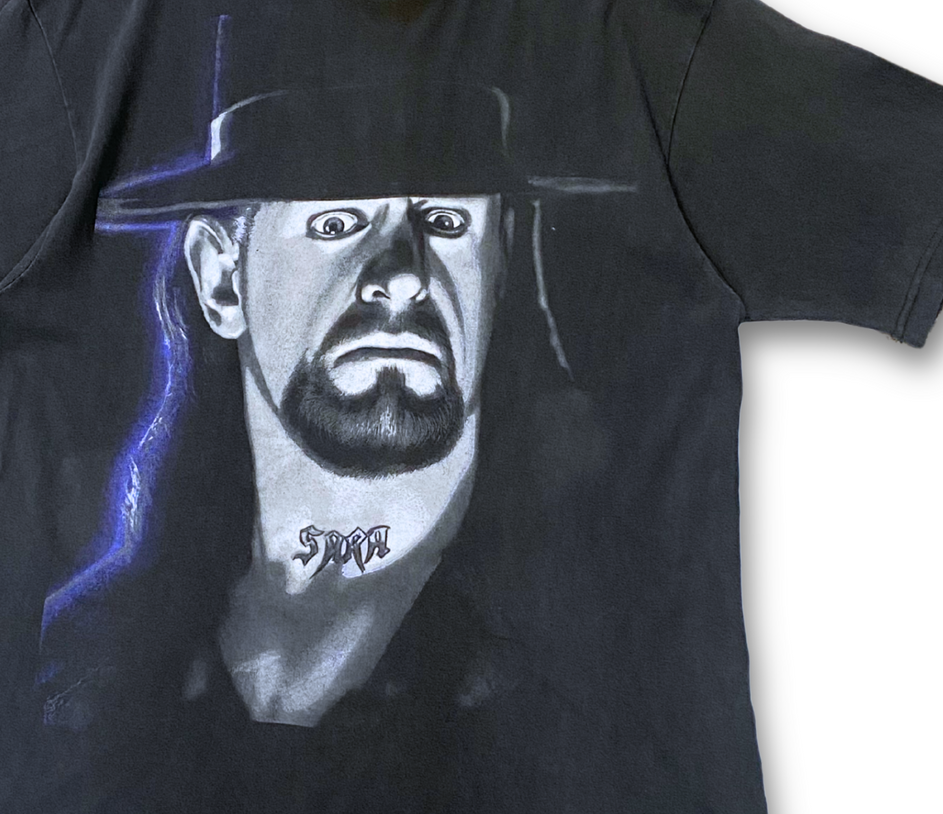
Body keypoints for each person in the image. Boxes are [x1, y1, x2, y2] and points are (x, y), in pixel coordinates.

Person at [37, 80, 630, 734]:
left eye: (445, 222)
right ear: (221, 278)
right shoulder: (82, 670)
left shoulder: (612, 654)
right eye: (337, 223)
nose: (403, 275)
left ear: (500, 264)